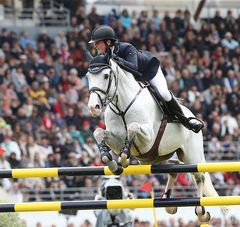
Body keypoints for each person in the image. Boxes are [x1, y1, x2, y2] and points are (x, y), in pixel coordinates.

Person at [88, 25, 204, 133]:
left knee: (163, 93)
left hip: (149, 71)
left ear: (108, 42)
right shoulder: (104, 57)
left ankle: (186, 121)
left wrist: (116, 59)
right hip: (134, 79)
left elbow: (134, 68)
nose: (95, 46)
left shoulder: (127, 48)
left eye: (97, 43)